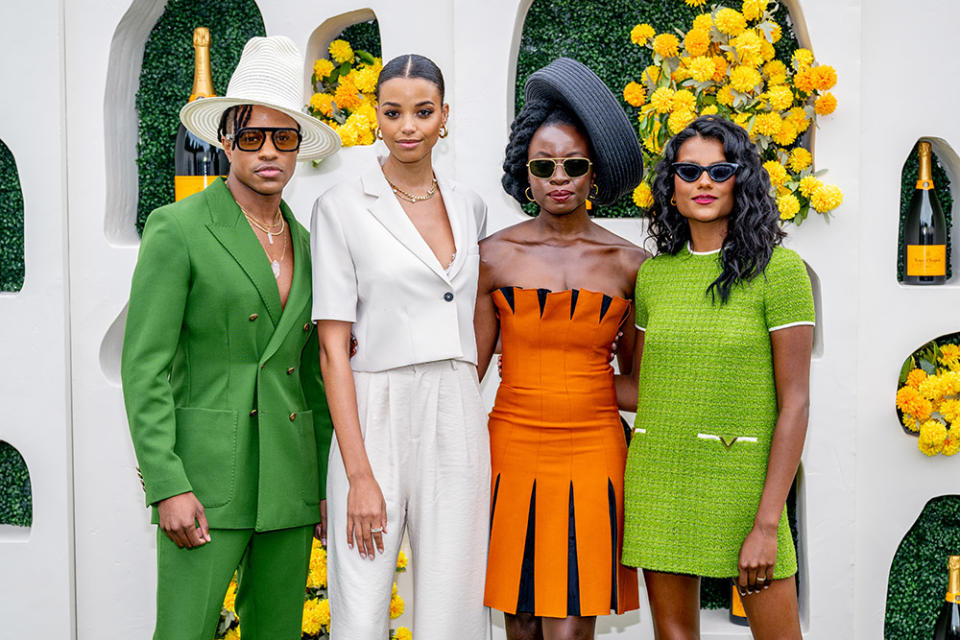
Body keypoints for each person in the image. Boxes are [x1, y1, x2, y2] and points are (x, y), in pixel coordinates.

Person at [121, 36, 339, 640]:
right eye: (251, 137)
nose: (268, 152)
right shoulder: (179, 228)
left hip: (289, 485)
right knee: (184, 633)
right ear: (225, 141)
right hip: (205, 485)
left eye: (284, 138)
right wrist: (167, 484)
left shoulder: (310, 242)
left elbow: (315, 373)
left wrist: (321, 484)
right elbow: (145, 368)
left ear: (298, 148)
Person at [310, 54, 491, 639]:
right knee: (361, 603)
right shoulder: (339, 207)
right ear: (377, 118)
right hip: (373, 409)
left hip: (456, 409)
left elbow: (475, 309)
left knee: (455, 599)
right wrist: (360, 474)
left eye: (422, 111)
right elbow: (333, 348)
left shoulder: (471, 205)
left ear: (444, 116)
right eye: (392, 113)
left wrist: (464, 382)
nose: (407, 126)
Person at [617, 115, 814, 639]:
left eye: (719, 170)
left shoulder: (781, 271)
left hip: (747, 490)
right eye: (689, 171)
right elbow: (642, 387)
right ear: (671, 185)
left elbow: (794, 404)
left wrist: (768, 525)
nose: (703, 182)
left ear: (741, 180)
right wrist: (551, 373)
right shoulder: (653, 277)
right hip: (659, 481)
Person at [475, 57, 646, 640]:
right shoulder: (491, 256)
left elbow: (640, 384)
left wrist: (582, 391)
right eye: (543, 166)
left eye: (574, 165)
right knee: (519, 618)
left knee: (572, 623)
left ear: (593, 174)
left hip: (594, 450)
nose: (559, 178)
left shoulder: (630, 265)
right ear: (526, 176)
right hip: (511, 448)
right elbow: (466, 368)